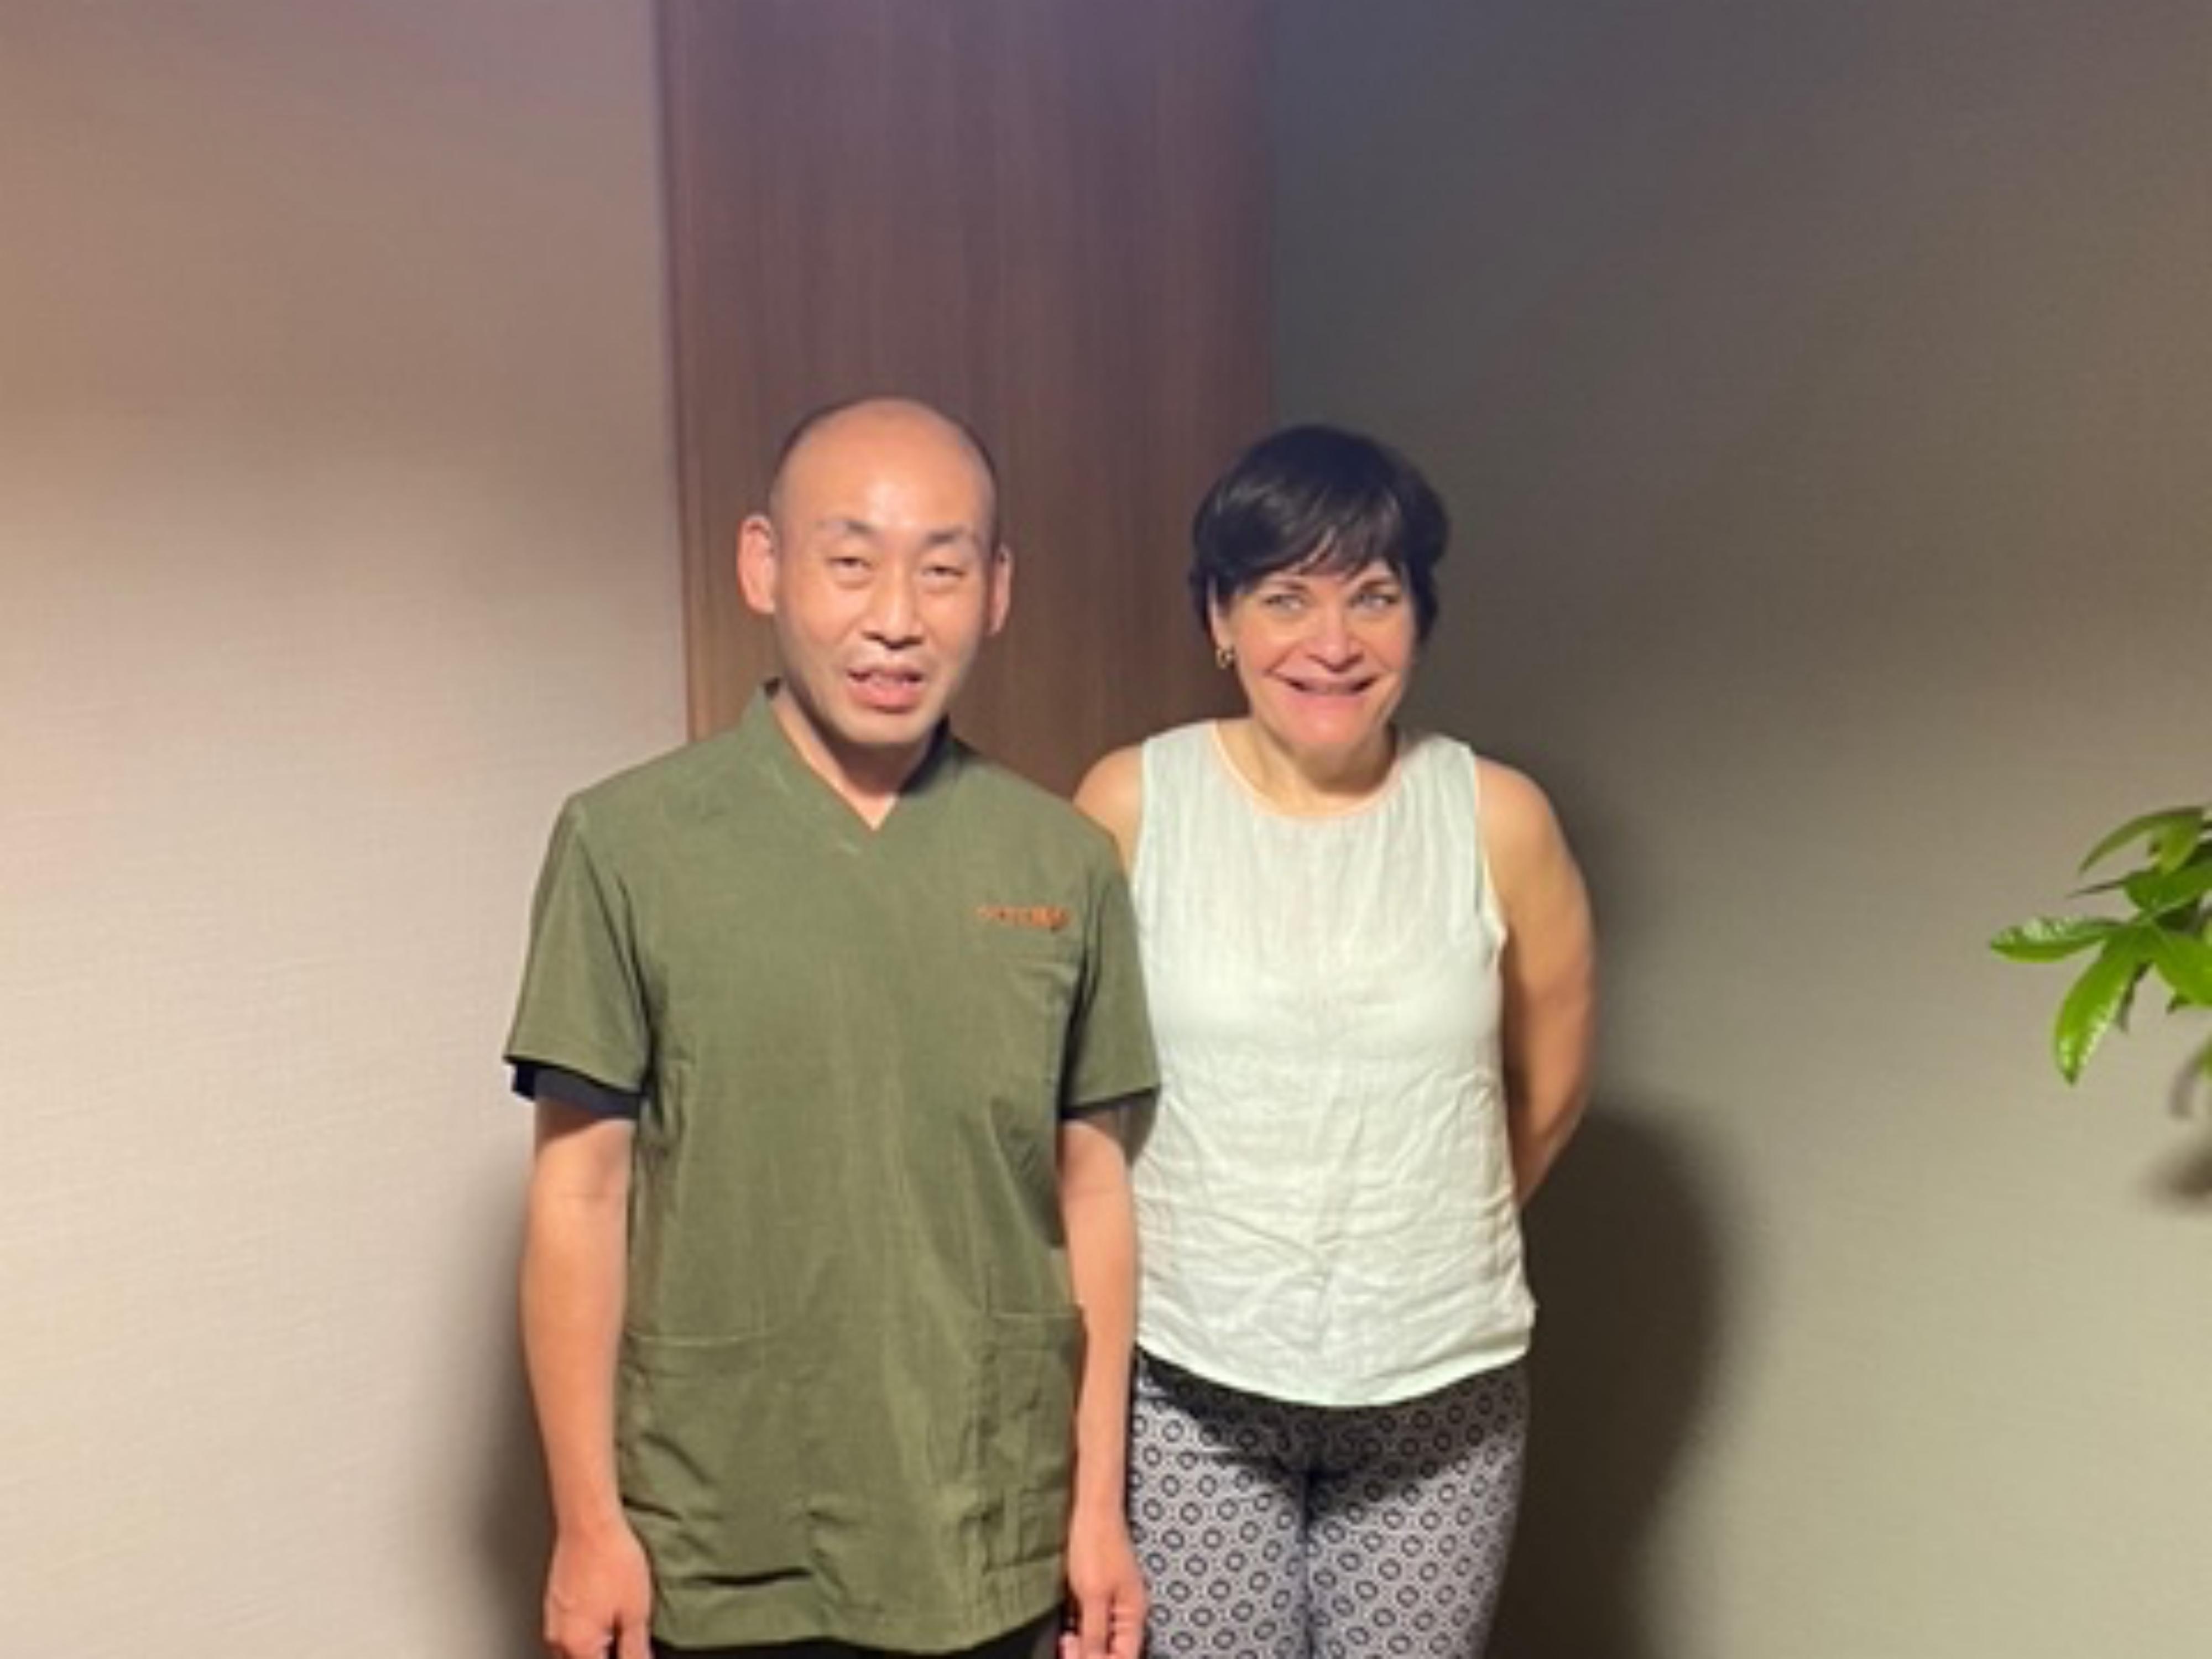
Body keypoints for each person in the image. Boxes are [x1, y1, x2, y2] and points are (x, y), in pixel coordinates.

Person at [506, 397, 1156, 1659]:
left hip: (989, 1522)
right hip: (723, 1523)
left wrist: (1095, 1508)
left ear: (997, 589)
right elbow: (577, 1199)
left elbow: (1092, 1193)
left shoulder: (1062, 861)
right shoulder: (627, 844)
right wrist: (588, 1524)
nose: (896, 619)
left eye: (943, 569)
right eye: (849, 561)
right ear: (762, 564)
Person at [1074, 425, 1597, 1657]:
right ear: (1219, 616)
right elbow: (1065, 1108)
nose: (1330, 642)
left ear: (1418, 614)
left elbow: (1553, 1089)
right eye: (1283, 597)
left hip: (1438, 1399)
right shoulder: (1128, 804)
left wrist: (1422, 1243)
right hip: (1189, 1380)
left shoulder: (1497, 818)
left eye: (1372, 596)